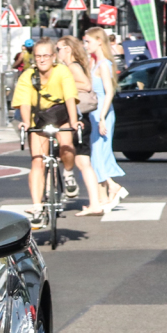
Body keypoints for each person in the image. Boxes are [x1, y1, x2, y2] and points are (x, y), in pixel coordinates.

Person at [11, 38, 80, 230]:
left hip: (60, 115)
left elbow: (69, 97)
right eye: (38, 56)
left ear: (54, 57)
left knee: (66, 145)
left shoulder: (62, 72)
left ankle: (68, 173)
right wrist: (25, 122)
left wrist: (74, 122)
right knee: (37, 161)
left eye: (46, 56)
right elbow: (24, 102)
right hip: (39, 119)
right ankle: (37, 208)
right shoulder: (27, 76)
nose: (42, 60)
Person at [55, 37, 104, 215]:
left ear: (67, 49)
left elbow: (86, 85)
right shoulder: (73, 66)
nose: (56, 52)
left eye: (58, 48)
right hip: (82, 119)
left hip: (75, 118)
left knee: (57, 156)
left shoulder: (72, 67)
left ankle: (50, 201)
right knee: (84, 162)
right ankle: (95, 204)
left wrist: (62, 83)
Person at [83, 27, 128, 209]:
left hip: (103, 113)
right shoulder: (93, 63)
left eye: (88, 41)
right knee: (96, 155)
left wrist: (102, 117)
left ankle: (113, 186)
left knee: (99, 153)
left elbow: (110, 92)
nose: (86, 45)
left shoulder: (104, 64)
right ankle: (104, 195)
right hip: (94, 113)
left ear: (99, 41)